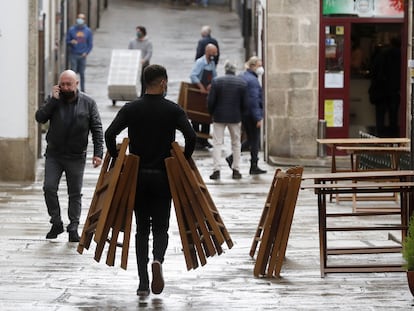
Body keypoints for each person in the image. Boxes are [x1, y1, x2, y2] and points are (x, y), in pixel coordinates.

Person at [104, 64, 196, 297]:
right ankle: (158, 260)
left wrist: (119, 159)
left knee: (142, 229)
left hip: (137, 177)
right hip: (164, 177)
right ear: (163, 82)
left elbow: (109, 134)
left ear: (145, 82)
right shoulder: (172, 110)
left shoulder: (131, 109)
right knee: (162, 227)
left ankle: (143, 282)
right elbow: (191, 136)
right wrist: (183, 159)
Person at [35, 70, 103, 242]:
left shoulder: (88, 103)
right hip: (54, 155)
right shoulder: (54, 101)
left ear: (76, 84)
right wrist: (52, 101)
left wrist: (98, 153)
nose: (65, 87)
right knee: (49, 188)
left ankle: (73, 226)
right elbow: (40, 118)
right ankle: (56, 222)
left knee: (75, 193)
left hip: (76, 156)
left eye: (69, 84)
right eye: (62, 84)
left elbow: (97, 128)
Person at [207, 60, 248, 180]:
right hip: (235, 117)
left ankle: (216, 170)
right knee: (236, 143)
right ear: (234, 70)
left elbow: (211, 101)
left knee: (217, 143)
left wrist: (211, 113)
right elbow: (245, 103)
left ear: (225, 69)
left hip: (219, 116)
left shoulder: (217, 81)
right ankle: (236, 169)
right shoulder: (242, 83)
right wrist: (242, 115)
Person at [231, 56, 267, 175]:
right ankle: (254, 166)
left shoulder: (243, 76)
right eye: (259, 65)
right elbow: (254, 100)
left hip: (244, 113)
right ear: (253, 66)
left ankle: (232, 157)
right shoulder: (253, 81)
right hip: (251, 114)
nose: (261, 68)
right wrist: (258, 117)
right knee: (255, 140)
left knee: (250, 139)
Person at [369, 36, 401, 137]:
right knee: (393, 115)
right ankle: (394, 137)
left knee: (380, 116)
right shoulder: (402, 54)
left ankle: (380, 136)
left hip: (381, 90)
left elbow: (373, 71)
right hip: (394, 90)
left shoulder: (381, 54)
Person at [190, 43, 218, 150]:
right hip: (198, 93)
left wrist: (212, 84)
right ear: (208, 52)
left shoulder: (212, 63)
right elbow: (193, 75)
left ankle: (204, 140)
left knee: (206, 116)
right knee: (196, 118)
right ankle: (196, 141)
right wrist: (201, 86)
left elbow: (215, 76)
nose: (215, 54)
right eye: (213, 52)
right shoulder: (200, 62)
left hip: (207, 93)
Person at [66, 13, 93, 92]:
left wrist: (86, 52)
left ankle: (82, 90)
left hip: (82, 55)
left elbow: (90, 44)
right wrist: (71, 42)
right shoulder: (71, 30)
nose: (80, 20)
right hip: (73, 54)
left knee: (82, 73)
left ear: (84, 20)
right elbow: (67, 41)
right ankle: (73, 89)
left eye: (82, 18)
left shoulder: (88, 31)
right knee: (73, 73)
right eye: (79, 18)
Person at [128, 25, 153, 97]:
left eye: (139, 31)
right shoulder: (132, 42)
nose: (138, 33)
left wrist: (144, 60)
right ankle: (132, 93)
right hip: (134, 63)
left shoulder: (148, 42)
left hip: (144, 64)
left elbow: (149, 53)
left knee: (143, 80)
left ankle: (142, 95)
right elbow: (129, 51)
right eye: (137, 31)